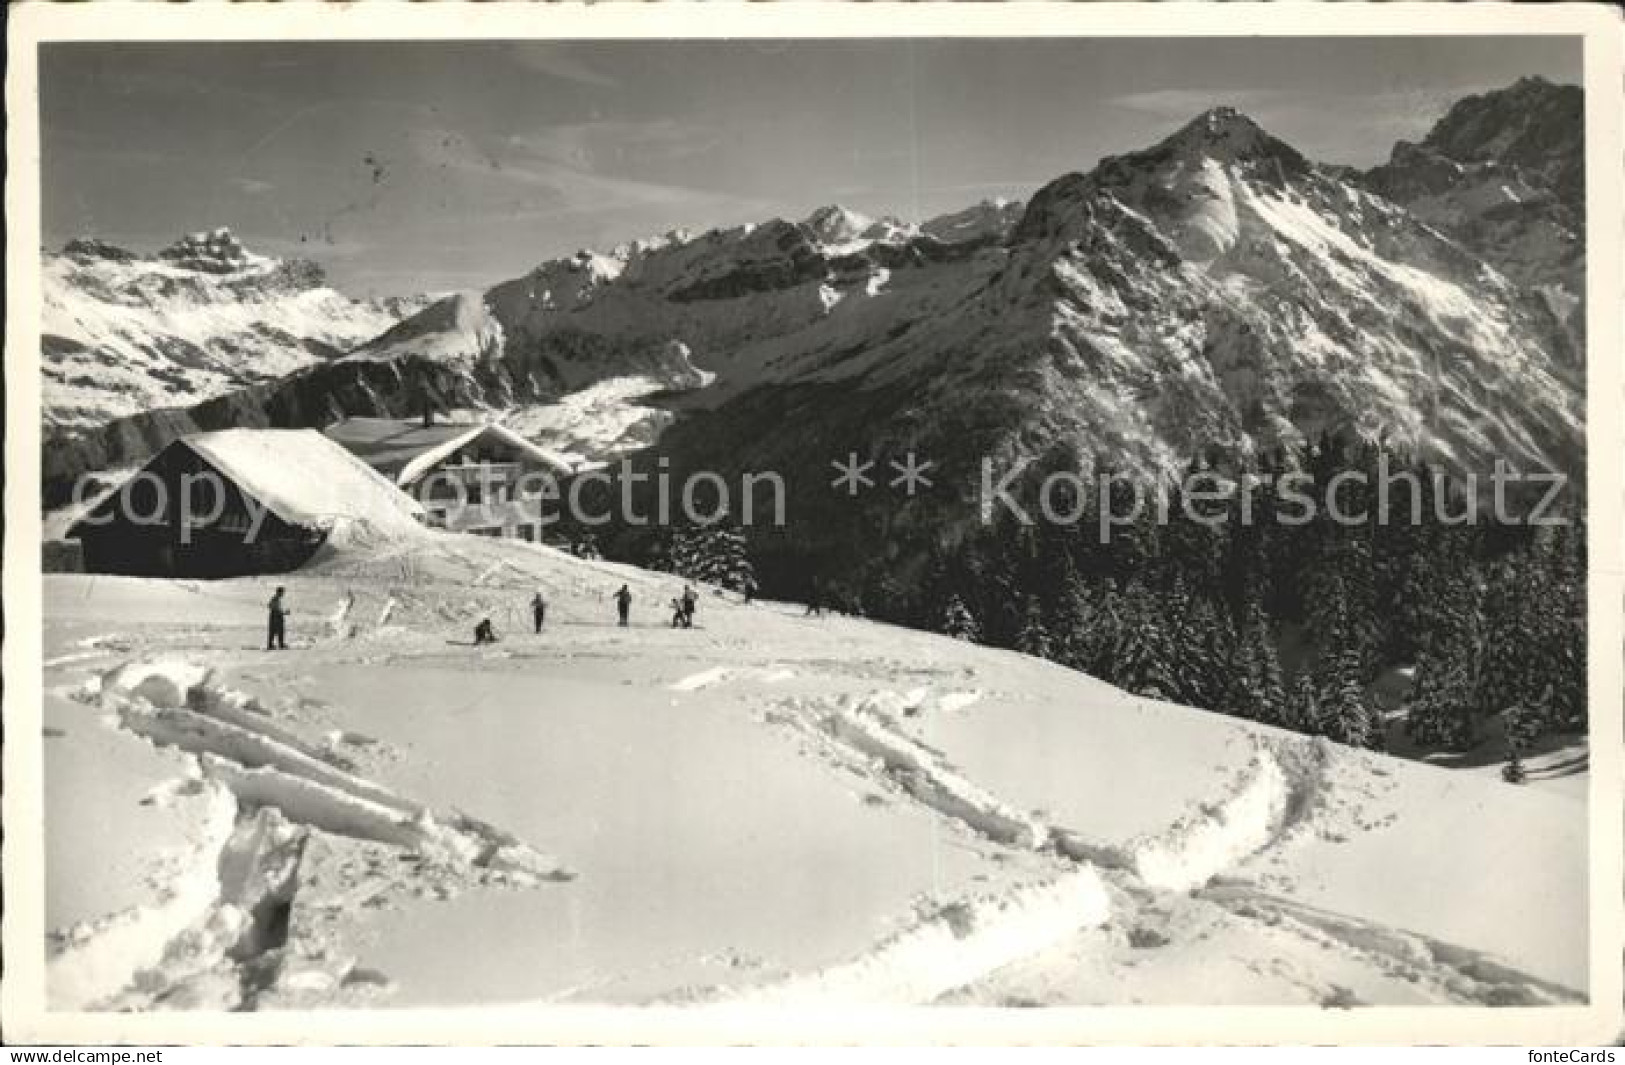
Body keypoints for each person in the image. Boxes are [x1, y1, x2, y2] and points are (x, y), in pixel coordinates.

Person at [267, 586, 289, 651]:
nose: (283, 594)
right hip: (276, 617)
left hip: (275, 616)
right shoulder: (275, 599)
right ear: (279, 592)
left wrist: (284, 612)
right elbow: (272, 606)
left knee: (275, 631)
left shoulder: (277, 599)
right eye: (282, 592)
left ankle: (274, 644)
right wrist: (284, 612)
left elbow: (271, 606)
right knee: (277, 630)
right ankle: (278, 644)